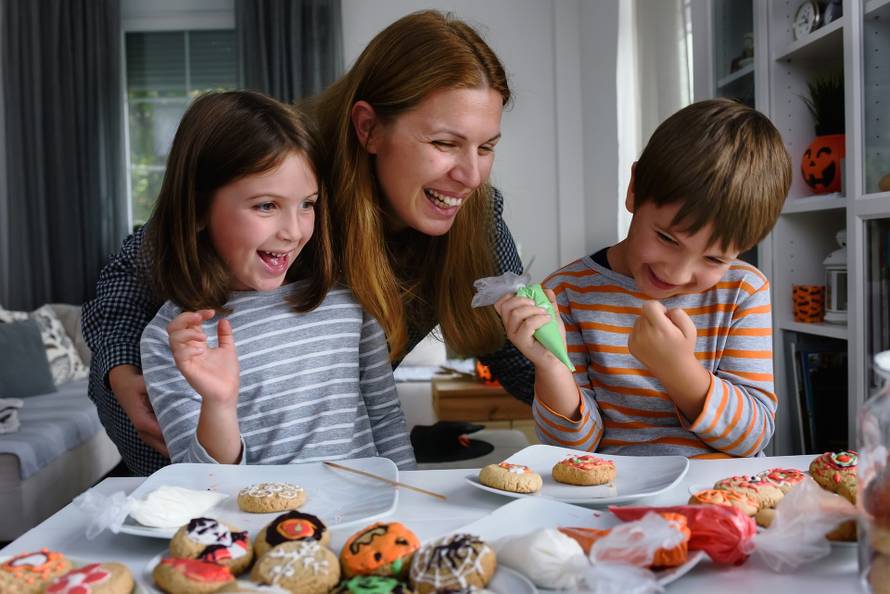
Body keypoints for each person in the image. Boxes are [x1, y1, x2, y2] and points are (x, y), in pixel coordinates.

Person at [82, 10, 532, 474]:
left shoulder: (475, 220)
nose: (471, 176)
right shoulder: (291, 168)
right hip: (184, 462)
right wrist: (119, 369)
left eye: (486, 147)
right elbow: (132, 270)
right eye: (443, 143)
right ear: (368, 128)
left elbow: (518, 363)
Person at [496, 98, 791, 458]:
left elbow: (753, 438)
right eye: (667, 239)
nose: (678, 273)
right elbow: (570, 451)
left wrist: (678, 369)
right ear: (634, 189)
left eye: (714, 258)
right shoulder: (569, 292)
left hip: (722, 496)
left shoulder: (744, 291)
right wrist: (552, 367)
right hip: (616, 493)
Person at [138, 90, 414, 468]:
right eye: (266, 205)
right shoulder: (173, 341)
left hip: (366, 523)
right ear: (199, 209)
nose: (293, 231)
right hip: (256, 527)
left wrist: (408, 502)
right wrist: (219, 403)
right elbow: (199, 485)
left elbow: (386, 421)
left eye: (307, 205)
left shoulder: (348, 302)